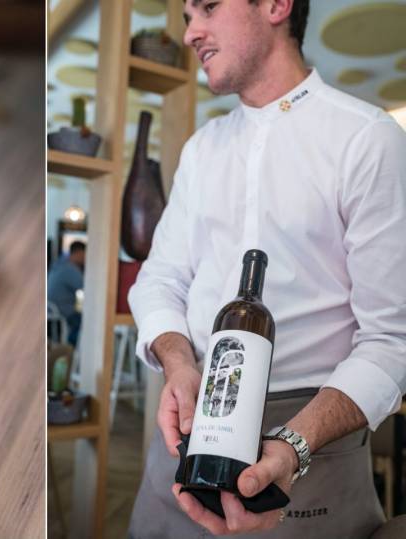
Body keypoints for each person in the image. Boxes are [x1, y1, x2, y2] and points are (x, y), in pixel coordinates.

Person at [127, 1, 406, 538]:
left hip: (311, 445)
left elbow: (392, 339)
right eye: (186, 16)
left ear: (276, 5)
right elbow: (159, 280)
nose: (190, 33)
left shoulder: (366, 139)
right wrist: (180, 363)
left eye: (207, 7)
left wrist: (295, 443)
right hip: (188, 426)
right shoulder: (201, 149)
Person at [48, 241, 86, 346]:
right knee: (86, 321)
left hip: (50, 308)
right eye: (85, 254)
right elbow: (85, 289)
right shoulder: (71, 269)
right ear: (78, 253)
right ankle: (72, 350)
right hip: (62, 310)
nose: (86, 258)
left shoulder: (59, 263)